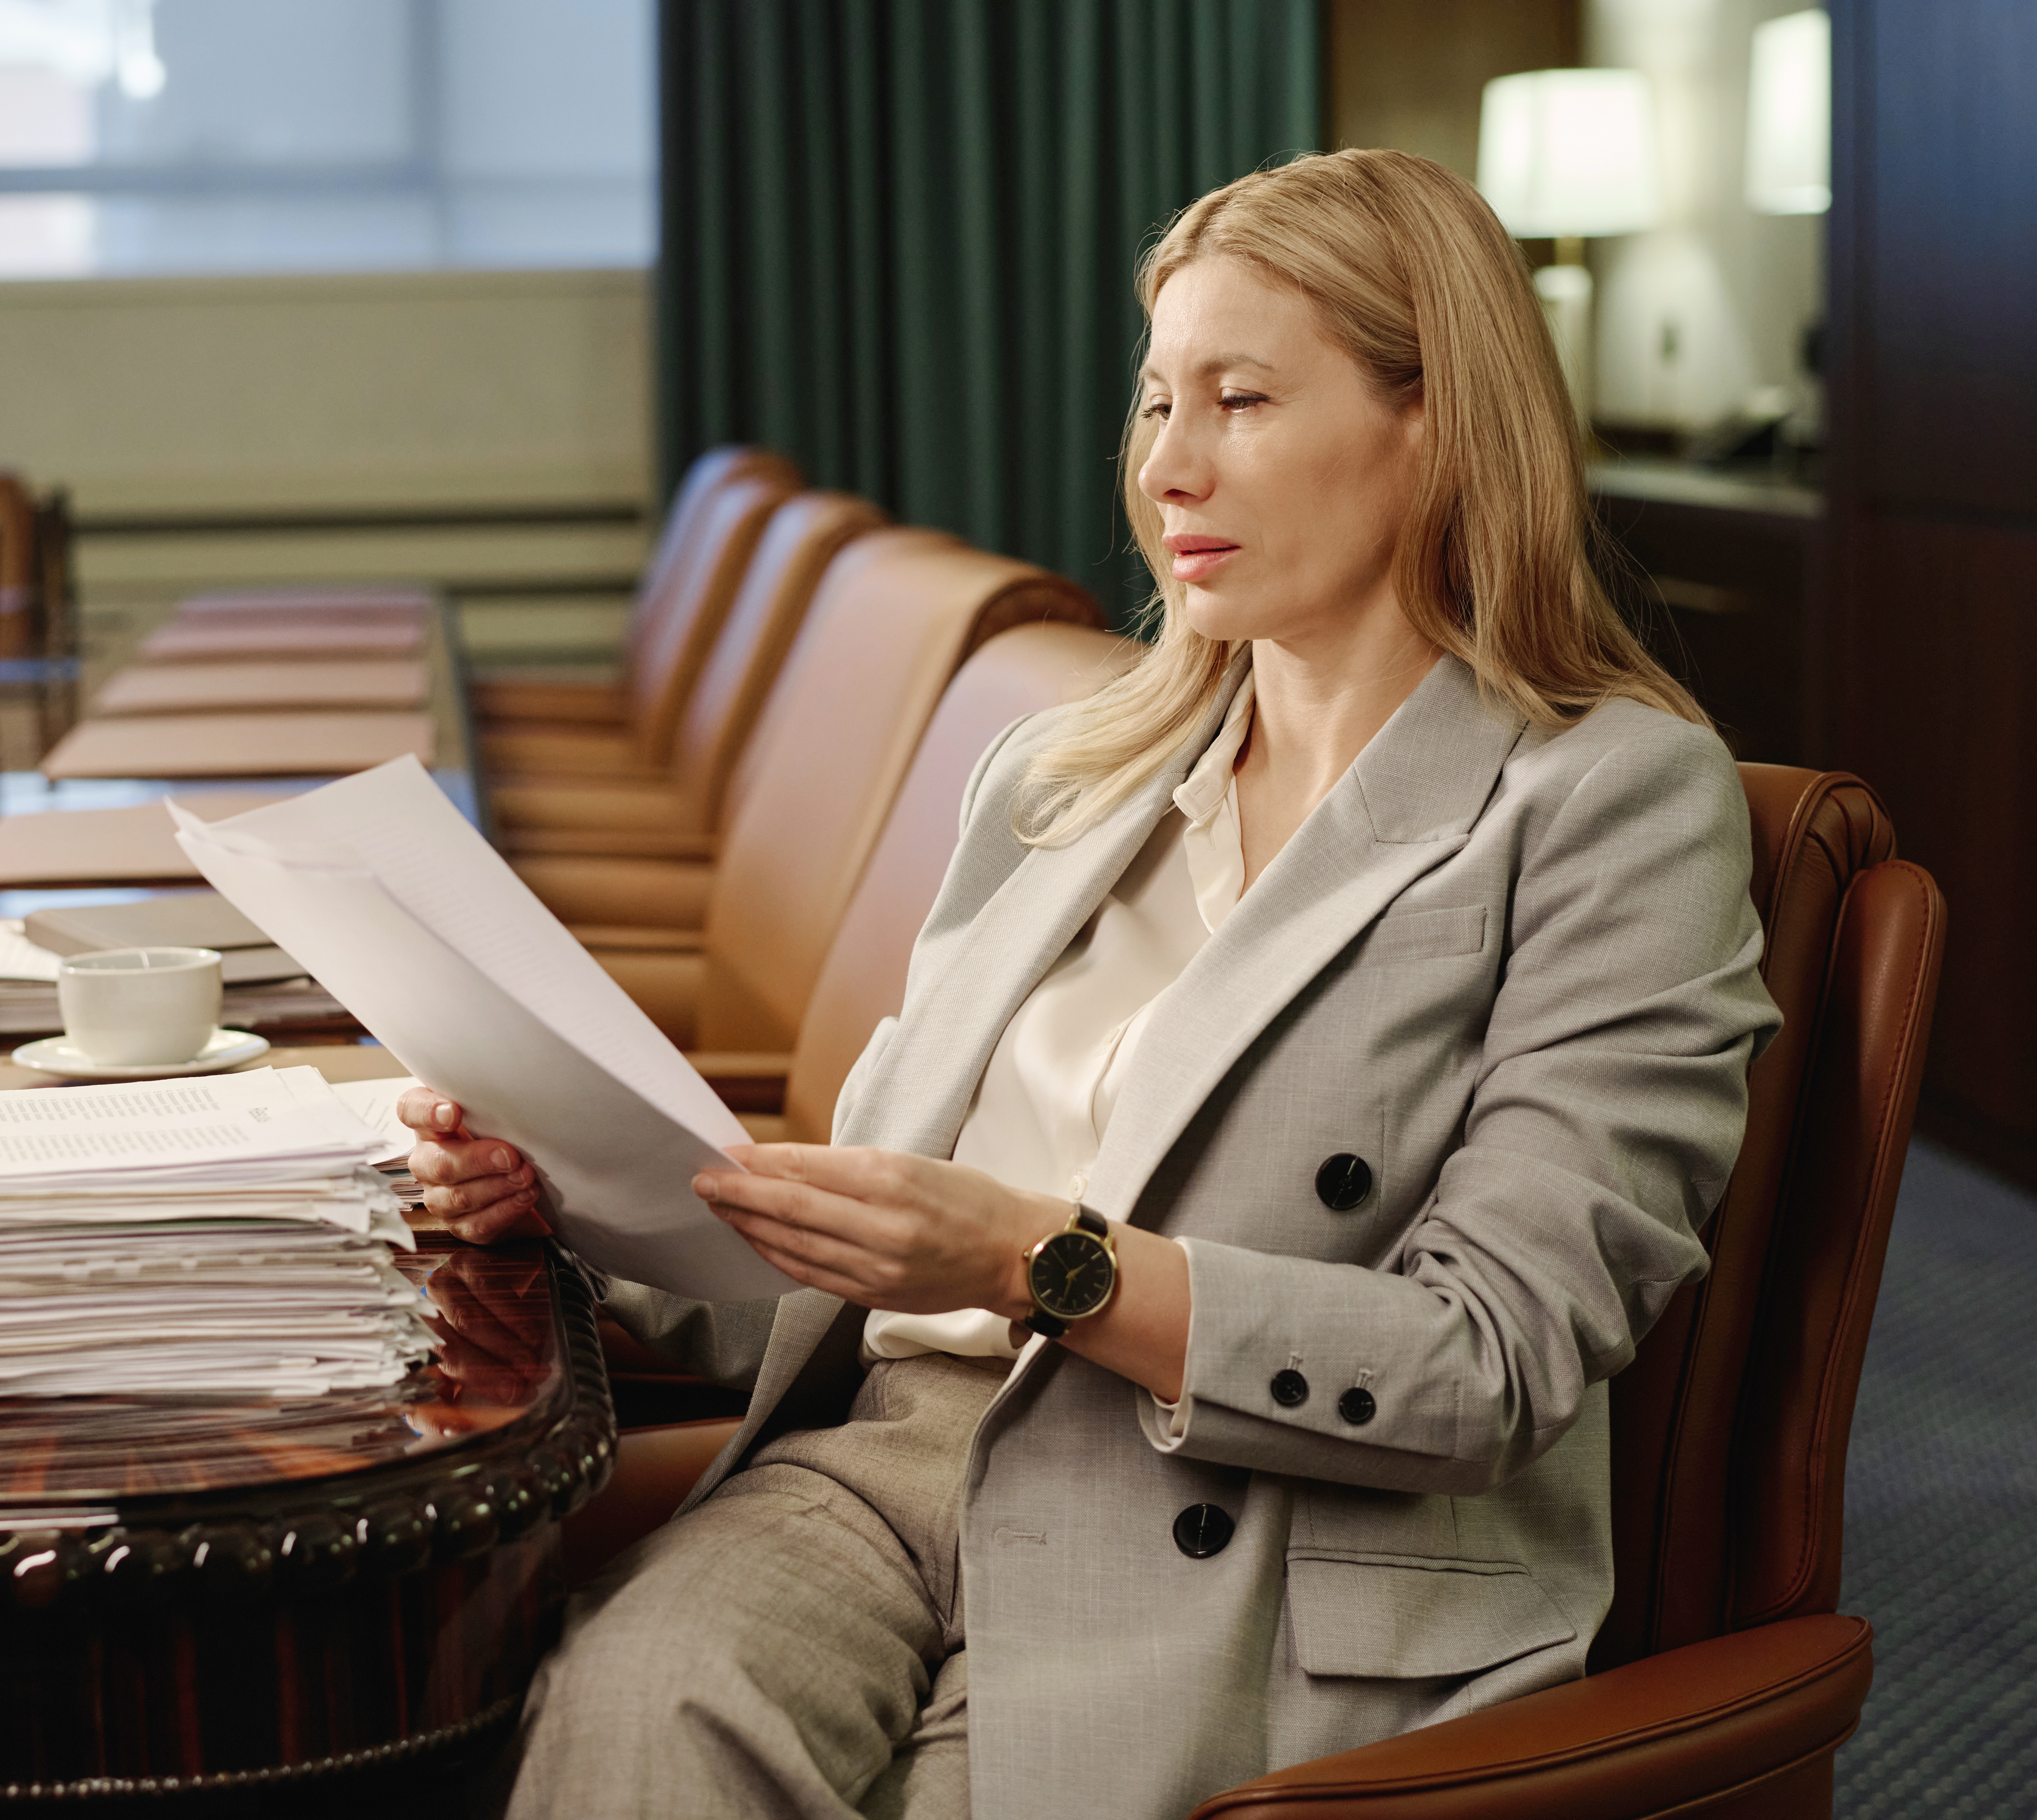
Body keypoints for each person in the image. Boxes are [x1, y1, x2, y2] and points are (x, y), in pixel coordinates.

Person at [404, 147, 1780, 1820]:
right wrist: (579, 1204)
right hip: (891, 1458)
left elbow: (1485, 1362)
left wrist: (1026, 1258)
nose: (1171, 467)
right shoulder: (1064, 774)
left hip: (1242, 1532)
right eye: (1152, 406)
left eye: (1243, 401)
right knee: (637, 1714)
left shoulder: (1609, 799)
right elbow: (854, 1268)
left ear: (1439, 426)